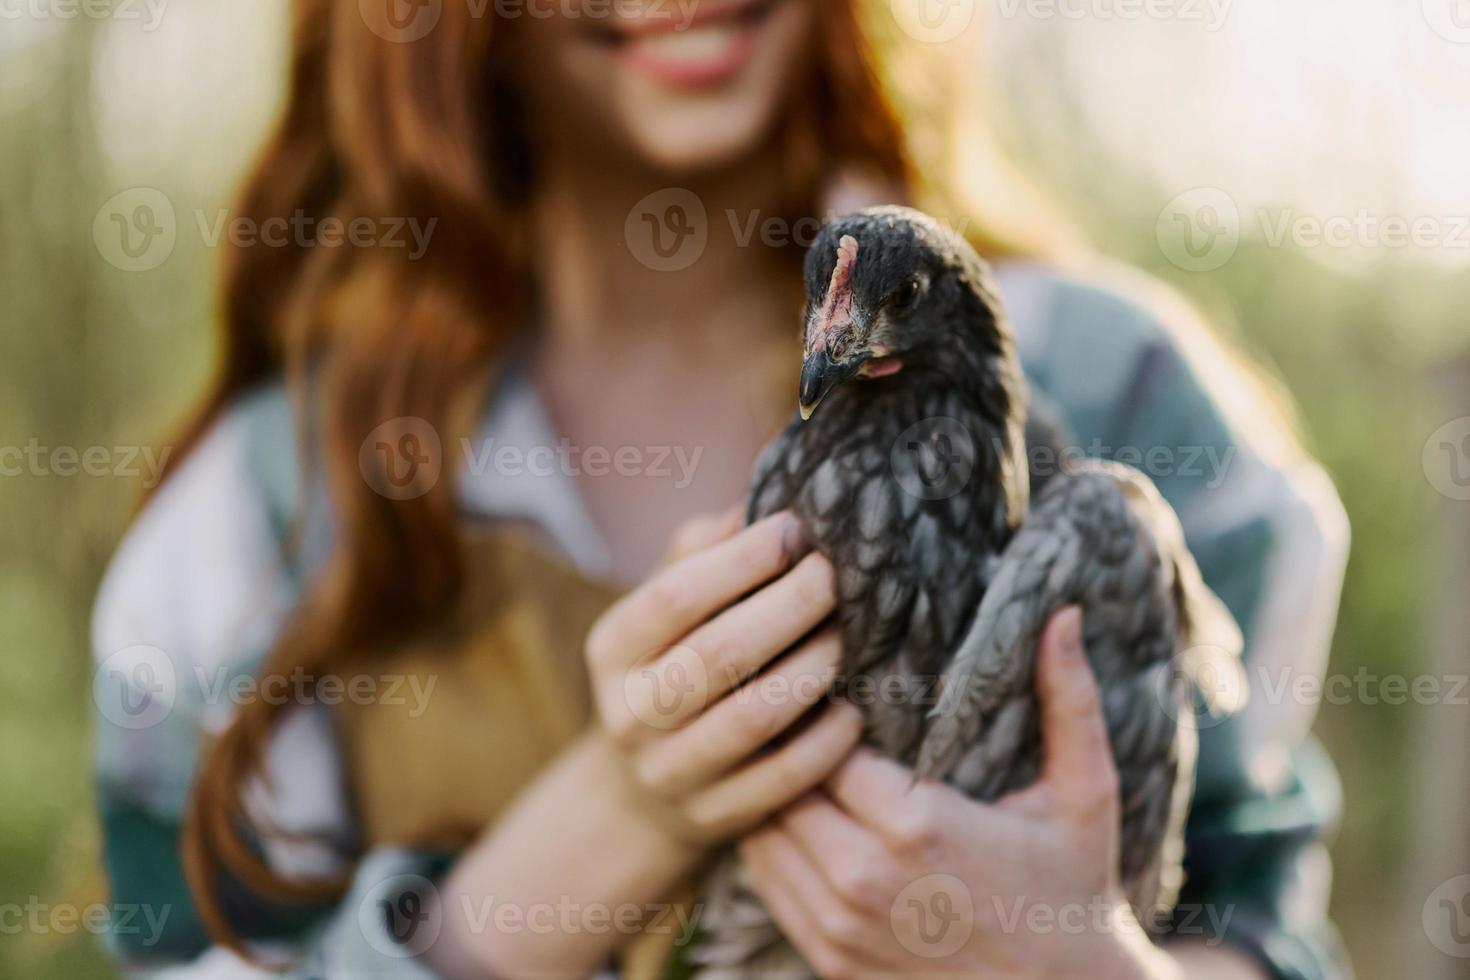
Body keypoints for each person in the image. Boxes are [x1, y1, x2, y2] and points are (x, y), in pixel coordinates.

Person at [91, 1, 1350, 977]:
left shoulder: (1127, 399)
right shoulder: (258, 513)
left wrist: (1076, 960)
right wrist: (616, 810)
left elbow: (1273, 925)